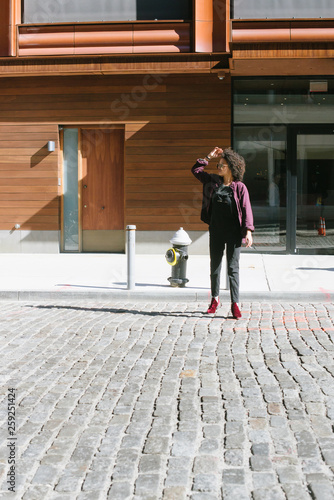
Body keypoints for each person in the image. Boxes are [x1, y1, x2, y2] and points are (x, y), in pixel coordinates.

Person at [191, 147, 254, 318]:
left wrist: (248, 231)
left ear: (232, 168)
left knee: (233, 268)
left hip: (234, 233)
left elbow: (246, 209)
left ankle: (235, 303)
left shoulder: (240, 188)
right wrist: (209, 156)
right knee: (215, 267)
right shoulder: (213, 181)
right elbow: (196, 170)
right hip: (216, 231)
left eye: (222, 165)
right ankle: (215, 299)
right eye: (218, 164)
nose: (219, 167)